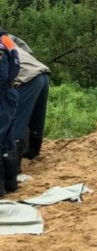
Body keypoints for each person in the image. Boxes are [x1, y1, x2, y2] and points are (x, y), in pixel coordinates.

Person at [9, 35, 50, 173]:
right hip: (39, 72)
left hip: (25, 79)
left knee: (14, 124)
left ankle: (12, 169)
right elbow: (26, 49)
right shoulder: (5, 37)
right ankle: (29, 156)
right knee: (35, 120)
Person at [0, 29, 20, 196]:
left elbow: (1, 75)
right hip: (9, 93)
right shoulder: (6, 39)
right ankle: (10, 182)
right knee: (7, 139)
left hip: (3, 94)